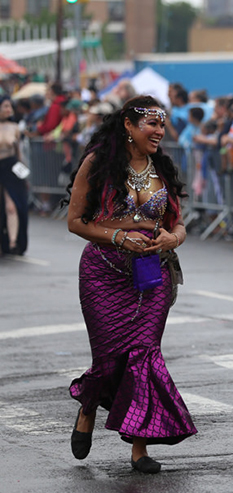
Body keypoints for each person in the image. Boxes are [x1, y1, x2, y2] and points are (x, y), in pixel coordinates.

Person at [64, 95, 196, 473]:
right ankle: (88, 406)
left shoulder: (163, 169)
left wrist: (174, 238)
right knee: (108, 360)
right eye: (151, 123)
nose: (159, 131)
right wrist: (119, 238)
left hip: (150, 275)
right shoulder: (98, 164)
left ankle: (140, 448)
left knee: (144, 356)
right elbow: (75, 222)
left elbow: (179, 224)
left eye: (161, 123)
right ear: (128, 125)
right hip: (103, 273)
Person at [0, 96, 27, 255]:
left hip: (11, 167)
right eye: (5, 106)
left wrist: (23, 172)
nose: (8, 110)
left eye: (10, 107)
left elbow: (19, 153)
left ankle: (13, 241)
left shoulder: (14, 127)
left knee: (12, 206)